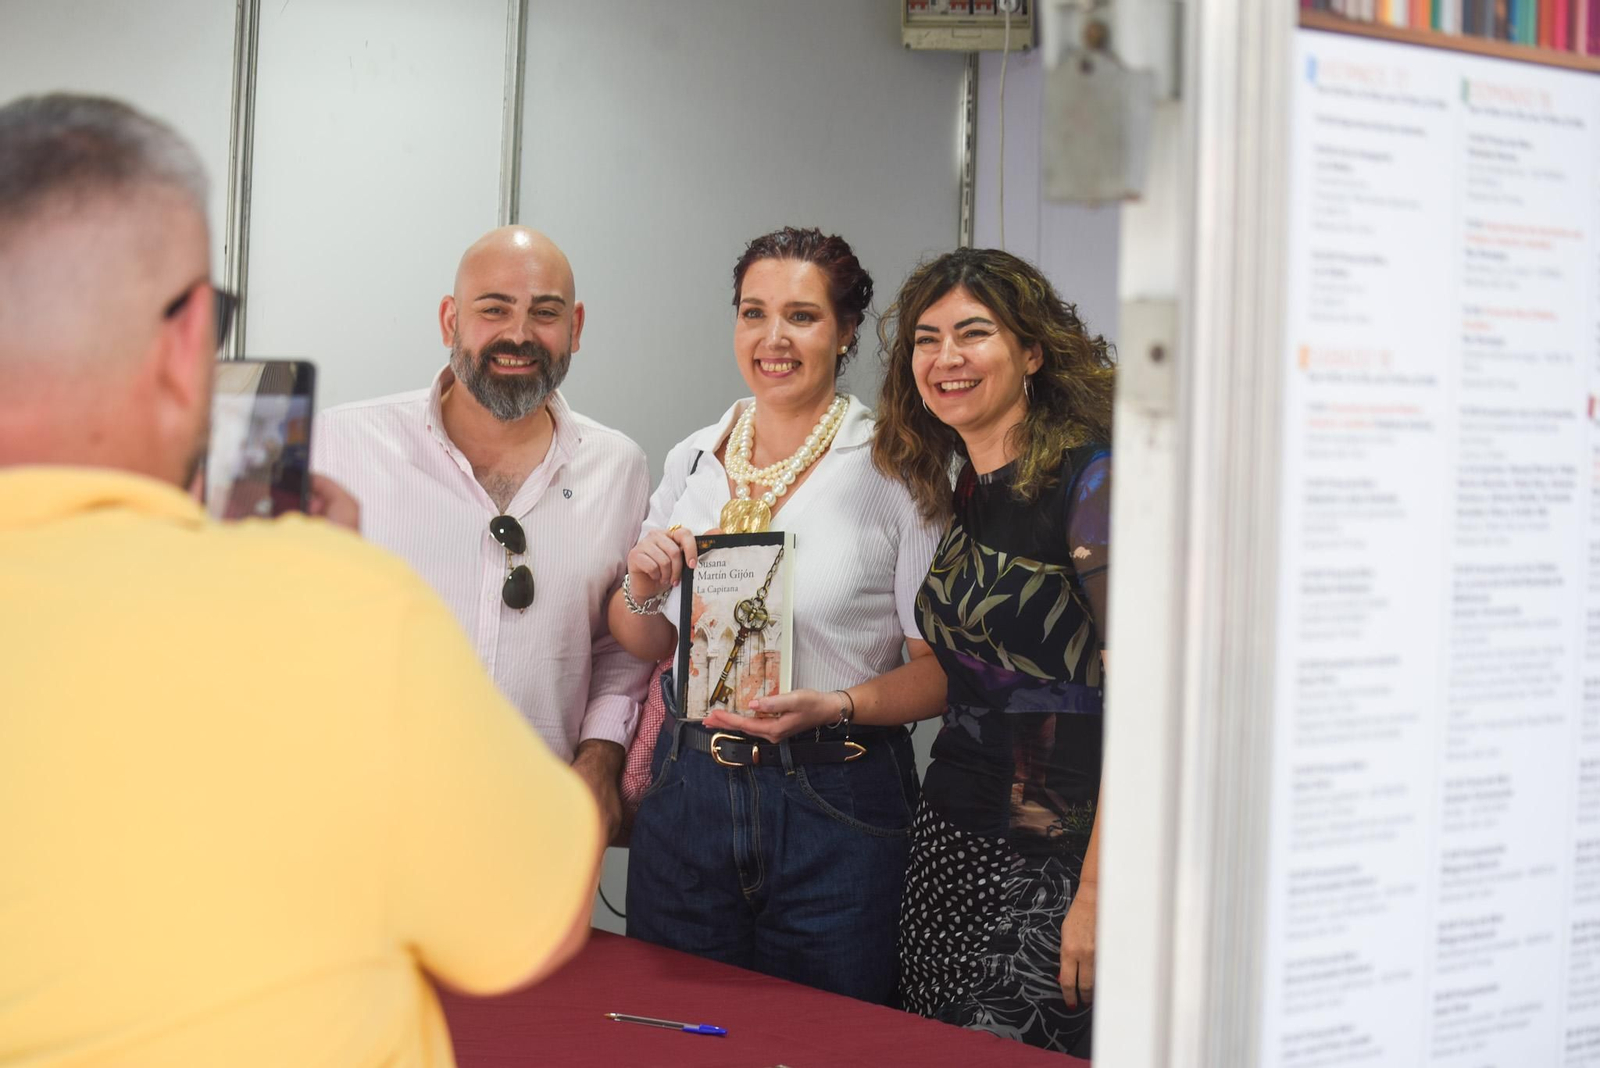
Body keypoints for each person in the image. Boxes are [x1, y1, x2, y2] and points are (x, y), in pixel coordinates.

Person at [0, 93, 601, 1067]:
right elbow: (534, 919)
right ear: (190, 339)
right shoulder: (340, 603)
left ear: (573, 325)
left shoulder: (616, 465)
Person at [608, 227, 945, 1005]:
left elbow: (941, 674)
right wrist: (640, 583)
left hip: (838, 802)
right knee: (671, 1033)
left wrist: (838, 704)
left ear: (847, 330)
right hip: (689, 795)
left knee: (826, 1041)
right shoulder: (695, 457)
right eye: (753, 313)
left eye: (801, 316)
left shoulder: (897, 465)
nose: (773, 338)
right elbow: (646, 637)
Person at [313, 226, 652, 841]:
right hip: (357, 828)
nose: (519, 334)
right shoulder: (339, 446)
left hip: (532, 833)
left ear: (575, 326)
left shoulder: (618, 466)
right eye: (493, 308)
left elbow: (618, 644)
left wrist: (600, 758)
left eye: (544, 312)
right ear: (450, 320)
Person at [875, 247, 1112, 1055]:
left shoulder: (1092, 483)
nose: (946, 359)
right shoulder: (966, 486)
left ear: (1033, 351)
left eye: (973, 334)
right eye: (926, 338)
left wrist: (1097, 892)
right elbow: (965, 675)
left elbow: (1154, 707)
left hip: (1055, 865)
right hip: (947, 842)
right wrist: (836, 705)